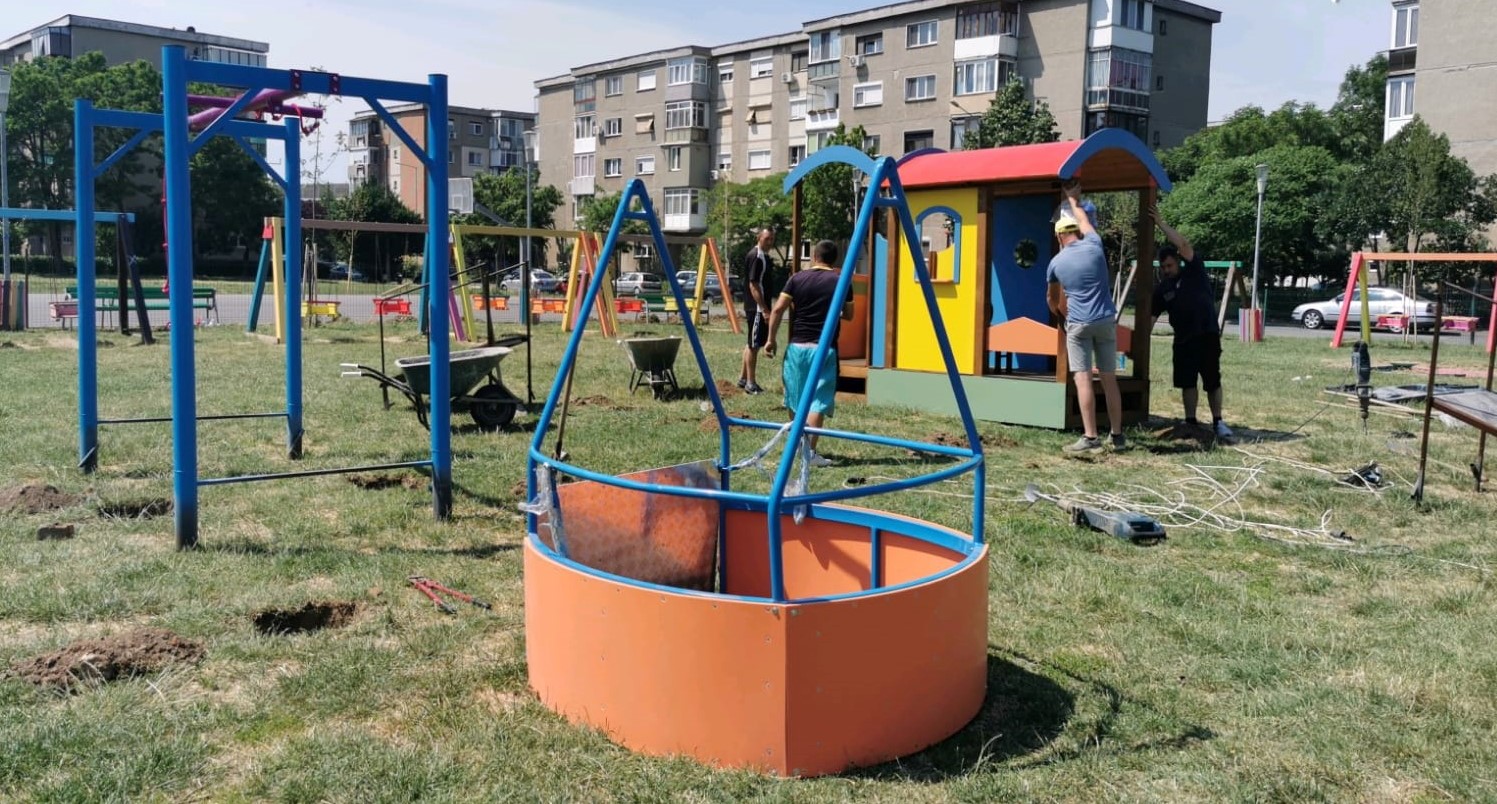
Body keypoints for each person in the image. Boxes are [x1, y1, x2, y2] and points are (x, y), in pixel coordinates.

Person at [1046, 180, 1126, 454]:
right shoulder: (1094, 244)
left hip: (1079, 324)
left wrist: (1060, 315)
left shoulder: (1055, 263)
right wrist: (1073, 199)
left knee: (1083, 379)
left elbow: (1052, 299)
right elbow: (1083, 218)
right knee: (1109, 379)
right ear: (1077, 232)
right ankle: (1117, 436)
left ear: (1059, 237)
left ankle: (1091, 437)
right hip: (1105, 320)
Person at [764, 239, 850, 467]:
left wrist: (771, 339)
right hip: (824, 349)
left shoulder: (796, 279)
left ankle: (798, 446)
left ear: (814, 256)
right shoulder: (840, 281)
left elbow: (777, 309)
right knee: (817, 401)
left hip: (797, 347)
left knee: (795, 397)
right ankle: (808, 452)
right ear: (835, 260)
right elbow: (849, 314)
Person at [1150, 204, 1232, 439]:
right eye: (1163, 267)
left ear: (1179, 261)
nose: (1167, 270)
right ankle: (1190, 422)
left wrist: (1161, 224)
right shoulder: (1162, 289)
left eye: (1170, 265)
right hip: (1183, 340)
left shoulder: (1195, 270)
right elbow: (1151, 318)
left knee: (1212, 380)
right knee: (1187, 382)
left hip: (1206, 335)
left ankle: (1218, 422)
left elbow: (1184, 245)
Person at [738, 228, 774, 394]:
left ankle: (743, 378)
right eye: (767, 239)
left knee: (751, 343)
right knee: (754, 345)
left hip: (757, 307)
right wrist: (764, 309)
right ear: (758, 238)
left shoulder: (762, 256)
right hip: (757, 308)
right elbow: (753, 285)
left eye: (772, 239)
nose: (770, 242)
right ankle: (750, 384)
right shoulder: (757, 256)